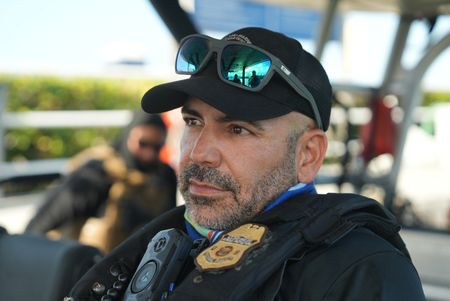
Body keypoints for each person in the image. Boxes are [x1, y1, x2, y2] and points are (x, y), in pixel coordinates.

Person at [66, 27, 425, 300]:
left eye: (237, 129)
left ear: (308, 155)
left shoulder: (364, 271)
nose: (199, 152)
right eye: (193, 122)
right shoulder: (166, 243)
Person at [25, 110, 177, 253]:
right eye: (143, 143)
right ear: (127, 136)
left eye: (157, 147)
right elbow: (45, 219)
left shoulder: (164, 176)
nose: (149, 154)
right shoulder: (98, 173)